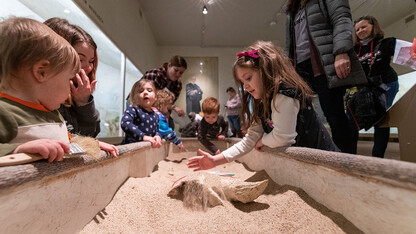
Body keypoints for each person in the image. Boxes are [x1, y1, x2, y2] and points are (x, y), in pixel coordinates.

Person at [187, 41, 339, 171]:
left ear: (267, 70)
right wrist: (216, 160)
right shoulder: (262, 102)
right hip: (307, 165)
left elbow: (282, 137)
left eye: (248, 78)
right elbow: (249, 139)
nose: (245, 86)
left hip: (326, 162)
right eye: (242, 82)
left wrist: (262, 141)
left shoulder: (285, 94)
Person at [285, 0, 363, 154]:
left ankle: (346, 162)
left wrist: (341, 51)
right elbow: (290, 44)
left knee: (334, 115)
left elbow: (341, 18)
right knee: (301, 117)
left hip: (323, 62)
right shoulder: (292, 10)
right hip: (299, 68)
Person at [0, 17, 80, 160]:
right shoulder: (5, 112)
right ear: (41, 72)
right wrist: (16, 149)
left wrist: (89, 145)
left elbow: (64, 139)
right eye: (68, 79)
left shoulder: (54, 113)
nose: (70, 90)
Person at [44, 17, 100, 138]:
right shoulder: (47, 91)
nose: (88, 68)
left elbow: (92, 133)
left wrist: (84, 102)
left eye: (91, 61)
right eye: (80, 59)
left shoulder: (76, 89)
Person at [353, 15, 400, 158]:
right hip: (367, 88)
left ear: (373, 27)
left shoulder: (386, 43)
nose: (360, 31)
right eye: (357, 29)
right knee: (353, 119)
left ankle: (377, 157)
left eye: (364, 27)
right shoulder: (355, 50)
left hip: (387, 84)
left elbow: (408, 54)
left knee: (380, 120)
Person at [141, 55, 187, 129]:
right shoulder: (154, 74)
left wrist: (173, 108)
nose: (178, 74)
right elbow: (142, 95)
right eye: (175, 70)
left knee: (170, 126)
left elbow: (169, 104)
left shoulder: (178, 85)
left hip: (157, 109)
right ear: (169, 65)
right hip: (139, 103)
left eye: (181, 73)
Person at [121, 79, 161, 148]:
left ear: (155, 97)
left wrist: (158, 136)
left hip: (146, 149)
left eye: (149, 90)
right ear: (134, 97)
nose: (145, 92)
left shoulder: (156, 115)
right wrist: (143, 136)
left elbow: (157, 129)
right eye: (140, 91)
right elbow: (125, 123)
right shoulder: (133, 109)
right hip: (131, 148)